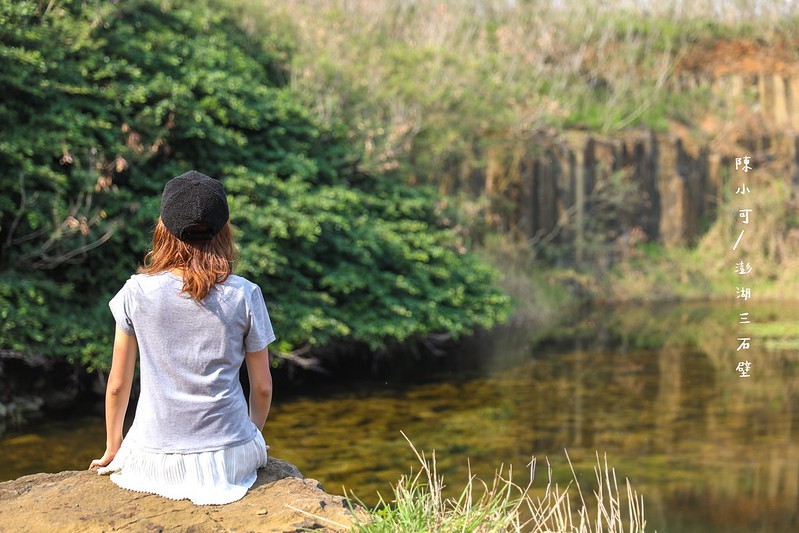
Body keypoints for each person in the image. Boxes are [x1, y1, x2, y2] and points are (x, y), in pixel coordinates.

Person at [89, 170, 275, 505]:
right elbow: (261, 387)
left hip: (151, 460)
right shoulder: (245, 294)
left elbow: (117, 384)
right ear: (224, 230)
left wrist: (113, 447)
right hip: (230, 458)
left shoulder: (136, 291)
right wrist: (252, 436)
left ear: (163, 228)